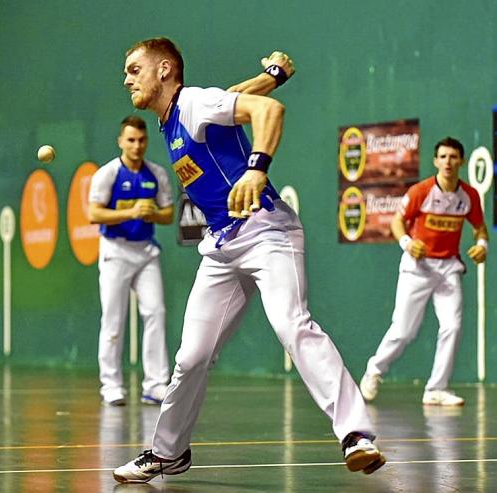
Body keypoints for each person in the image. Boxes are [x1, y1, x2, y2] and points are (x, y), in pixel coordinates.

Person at [113, 37, 384, 484]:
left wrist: (257, 167)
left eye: (134, 69)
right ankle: (167, 453)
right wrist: (271, 77)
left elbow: (268, 113)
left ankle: (356, 435)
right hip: (221, 246)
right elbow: (238, 98)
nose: (126, 79)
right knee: (192, 356)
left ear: (164, 70)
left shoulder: (193, 102)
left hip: (266, 232)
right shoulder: (176, 116)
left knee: (292, 325)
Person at [360, 137, 488, 406]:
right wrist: (407, 243)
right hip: (417, 267)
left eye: (453, 157)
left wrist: (482, 245)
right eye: (442, 157)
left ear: (461, 162)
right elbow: (397, 221)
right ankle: (374, 371)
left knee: (452, 327)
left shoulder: (469, 196)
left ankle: (436, 389)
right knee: (404, 331)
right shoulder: (421, 191)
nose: (448, 162)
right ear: (435, 161)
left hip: (448, 269)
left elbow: (479, 228)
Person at [88, 115, 174, 406]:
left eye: (141, 140)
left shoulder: (157, 174)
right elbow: (94, 214)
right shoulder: (108, 174)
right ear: (121, 142)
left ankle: (156, 384)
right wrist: (130, 213)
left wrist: (152, 214)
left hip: (146, 251)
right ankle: (111, 385)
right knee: (113, 319)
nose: (137, 146)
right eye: (131, 140)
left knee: (156, 312)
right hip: (115, 251)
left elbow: (169, 214)